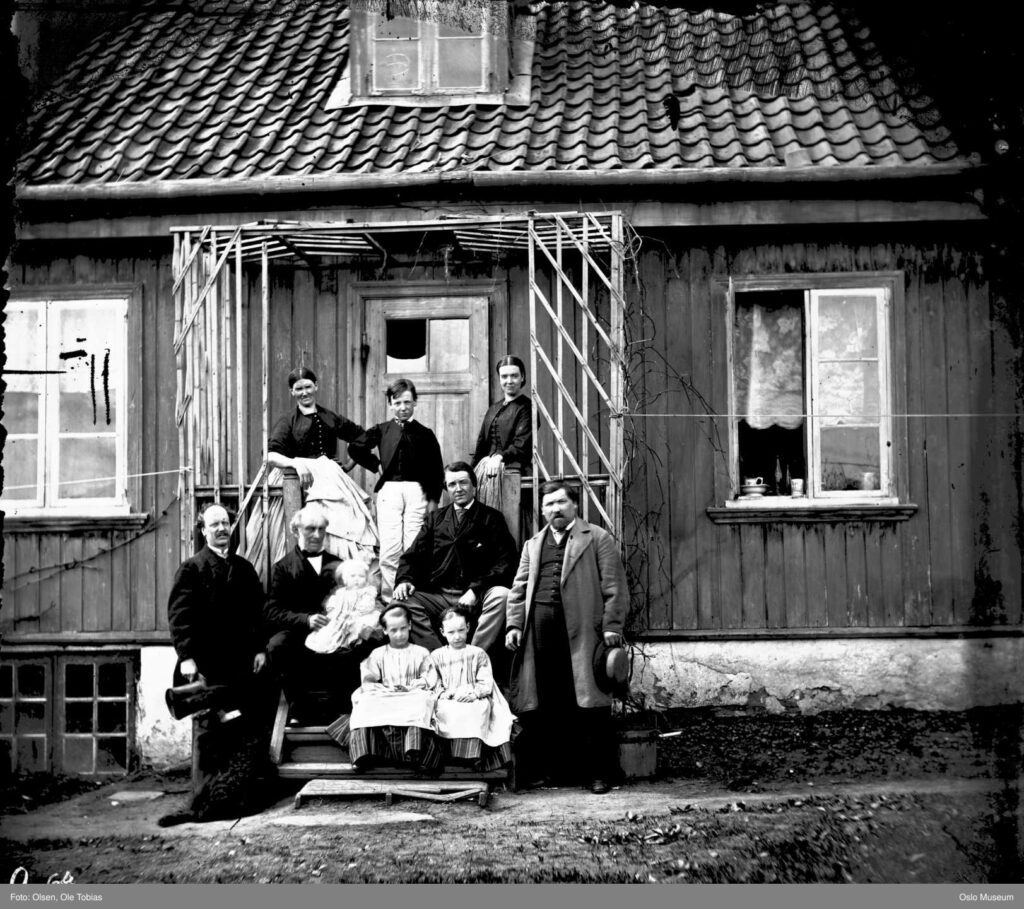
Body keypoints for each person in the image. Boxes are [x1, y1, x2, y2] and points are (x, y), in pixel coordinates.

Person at [505, 480, 628, 795]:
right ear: (542, 509)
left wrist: (612, 626)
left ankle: (599, 774)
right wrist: (514, 626)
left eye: (561, 502)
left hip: (584, 632)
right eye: (548, 504)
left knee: (589, 703)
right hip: (540, 632)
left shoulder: (597, 538)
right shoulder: (533, 544)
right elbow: (518, 591)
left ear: (574, 505)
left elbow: (614, 588)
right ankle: (555, 773)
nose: (555, 509)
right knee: (547, 700)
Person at [160, 503, 273, 826]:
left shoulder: (244, 568)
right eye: (215, 524)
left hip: (240, 667)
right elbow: (180, 618)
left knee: (238, 730)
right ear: (203, 530)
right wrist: (187, 657)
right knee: (208, 736)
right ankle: (198, 803)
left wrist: (261, 649)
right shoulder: (192, 568)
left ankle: (232, 801)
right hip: (207, 667)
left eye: (225, 523)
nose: (222, 529)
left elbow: (258, 615)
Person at [264, 504, 377, 723]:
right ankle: (299, 710)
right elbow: (272, 611)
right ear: (296, 530)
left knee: (364, 642)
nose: (316, 535)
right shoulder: (283, 567)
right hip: (300, 632)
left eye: (321, 529)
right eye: (309, 529)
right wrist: (305, 620)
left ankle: (345, 712)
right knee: (276, 646)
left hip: (341, 630)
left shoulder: (339, 565)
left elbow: (357, 594)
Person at [392, 460, 516, 656]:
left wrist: (476, 590)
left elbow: (505, 561)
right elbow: (413, 555)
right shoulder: (436, 518)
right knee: (400, 601)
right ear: (446, 489)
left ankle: (473, 657)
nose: (458, 489)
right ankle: (440, 659)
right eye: (452, 484)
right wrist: (405, 580)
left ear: (474, 485)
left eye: (463, 482)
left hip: (477, 595)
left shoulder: (491, 518)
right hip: (439, 595)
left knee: (502, 596)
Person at [262, 366, 379, 567]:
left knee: (348, 521)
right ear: (292, 392)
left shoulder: (330, 417)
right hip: (298, 478)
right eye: (299, 389)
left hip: (331, 476)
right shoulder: (288, 420)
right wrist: (296, 463)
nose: (304, 392)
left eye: (308, 386)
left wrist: (350, 464)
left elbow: (361, 437)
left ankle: (344, 572)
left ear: (316, 386)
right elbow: (271, 456)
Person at [349, 378, 444, 599]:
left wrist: (433, 500)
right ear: (390, 403)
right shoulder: (382, 430)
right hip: (389, 492)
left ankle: (413, 598)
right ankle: (391, 600)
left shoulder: (425, 433)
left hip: (417, 492)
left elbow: (436, 469)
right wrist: (376, 465)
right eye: (398, 402)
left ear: (415, 403)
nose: (403, 407)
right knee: (390, 549)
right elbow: (356, 447)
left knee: (413, 546)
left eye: (408, 402)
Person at [340, 604, 443, 774]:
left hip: (412, 694)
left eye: (403, 628)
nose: (400, 634)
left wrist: (413, 686)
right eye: (394, 630)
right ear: (385, 630)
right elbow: (368, 681)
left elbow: (430, 678)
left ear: (410, 625)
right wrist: (386, 689)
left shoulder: (421, 652)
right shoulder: (378, 654)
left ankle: (416, 753)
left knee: (422, 701)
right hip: (386, 695)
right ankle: (364, 754)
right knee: (364, 701)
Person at [430, 607, 514, 771]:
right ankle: (450, 758)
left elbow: (485, 682)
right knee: (444, 710)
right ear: (442, 631)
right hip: (448, 697)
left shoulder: (478, 653)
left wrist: (474, 693)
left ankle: (472, 757)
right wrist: (445, 693)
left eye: (461, 630)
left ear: (468, 627)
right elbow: (434, 682)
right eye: (451, 632)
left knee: (475, 709)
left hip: (474, 696)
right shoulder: (436, 656)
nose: (457, 636)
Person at [471, 355, 532, 543]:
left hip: (513, 474)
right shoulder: (494, 408)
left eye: (514, 376)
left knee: (510, 528)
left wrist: (499, 457)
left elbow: (521, 444)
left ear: (522, 377)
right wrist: (471, 473)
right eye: (504, 377)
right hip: (487, 475)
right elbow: (482, 444)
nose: (509, 381)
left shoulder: (526, 407)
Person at [305, 559, 383, 654]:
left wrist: (356, 613)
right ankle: (336, 645)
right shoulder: (341, 592)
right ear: (345, 579)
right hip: (340, 616)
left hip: (358, 617)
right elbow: (333, 603)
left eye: (361, 576)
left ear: (366, 579)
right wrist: (333, 607)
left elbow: (368, 605)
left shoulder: (367, 591)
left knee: (358, 628)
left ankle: (353, 644)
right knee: (329, 633)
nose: (356, 579)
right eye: (352, 576)